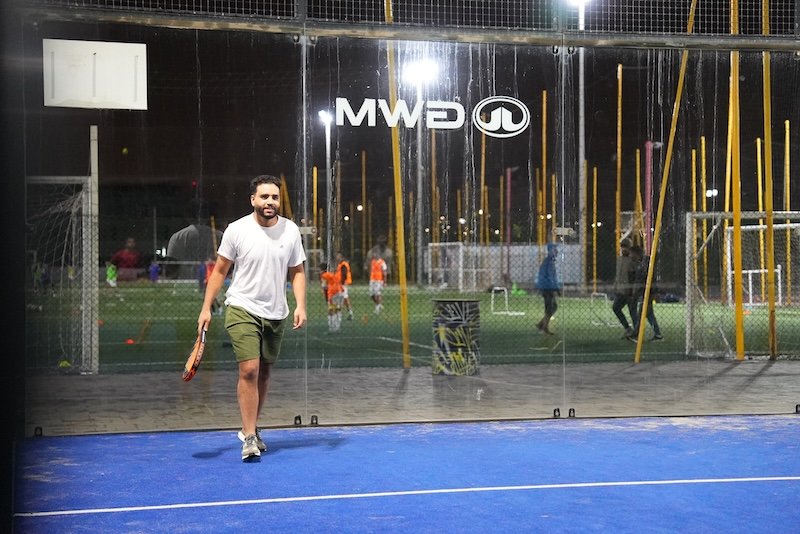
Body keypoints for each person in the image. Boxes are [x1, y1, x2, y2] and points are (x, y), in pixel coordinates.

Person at [197, 174, 307, 462]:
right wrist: (206, 308)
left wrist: (300, 305)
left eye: (274, 197)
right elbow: (220, 270)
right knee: (249, 370)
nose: (270, 202)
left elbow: (297, 271)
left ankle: (252, 427)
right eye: (264, 196)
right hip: (241, 307)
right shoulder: (237, 230)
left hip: (276, 313)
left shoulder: (291, 231)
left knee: (265, 373)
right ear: (253, 200)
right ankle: (248, 437)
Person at [628, 245, 663, 341]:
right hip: (645, 292)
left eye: (631, 253)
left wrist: (653, 292)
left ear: (636, 253)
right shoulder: (640, 263)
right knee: (649, 314)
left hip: (648, 292)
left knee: (641, 314)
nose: (630, 256)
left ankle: (636, 334)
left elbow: (649, 278)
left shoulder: (645, 263)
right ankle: (658, 334)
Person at [611, 238, 636, 338]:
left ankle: (636, 332)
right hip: (620, 291)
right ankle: (628, 328)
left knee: (632, 312)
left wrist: (633, 290)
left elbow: (634, 276)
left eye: (626, 247)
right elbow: (618, 275)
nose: (624, 249)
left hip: (629, 291)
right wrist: (615, 286)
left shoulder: (632, 260)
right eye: (622, 247)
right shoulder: (619, 259)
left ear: (630, 248)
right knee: (616, 308)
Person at [535, 242, 561, 335]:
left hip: (546, 287)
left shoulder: (548, 261)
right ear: (551, 251)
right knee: (550, 307)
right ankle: (544, 328)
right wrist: (556, 288)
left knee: (552, 307)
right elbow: (551, 277)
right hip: (547, 288)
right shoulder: (549, 262)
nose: (557, 251)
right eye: (555, 249)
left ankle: (541, 324)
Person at [319, 262, 344, 332]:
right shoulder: (333, 274)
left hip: (333, 293)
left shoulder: (324, 275)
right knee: (338, 309)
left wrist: (325, 294)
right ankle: (337, 326)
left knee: (331, 310)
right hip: (340, 291)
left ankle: (332, 327)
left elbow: (324, 286)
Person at [335, 252, 354, 319]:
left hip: (343, 284)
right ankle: (349, 313)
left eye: (338, 257)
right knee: (344, 298)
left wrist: (342, 283)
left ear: (341, 257)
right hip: (340, 284)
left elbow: (344, 274)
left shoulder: (343, 264)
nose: (337, 258)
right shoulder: (340, 264)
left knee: (342, 298)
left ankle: (340, 314)